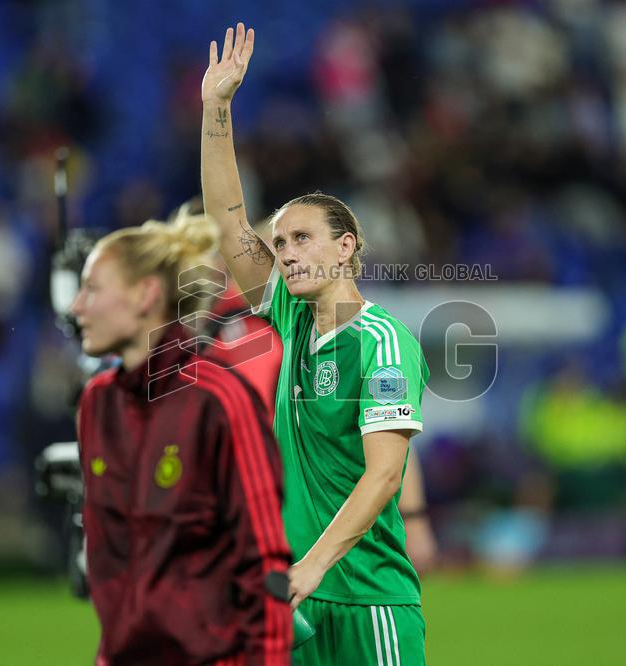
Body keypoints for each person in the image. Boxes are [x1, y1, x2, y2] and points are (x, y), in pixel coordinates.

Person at [201, 23, 429, 665]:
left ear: (346, 245)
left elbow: (384, 475)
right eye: (280, 243)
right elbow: (225, 219)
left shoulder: (384, 344)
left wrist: (312, 566)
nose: (286, 253)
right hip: (297, 602)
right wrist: (216, 112)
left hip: (368, 601)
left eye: (303, 238)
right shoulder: (287, 318)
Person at [70, 214, 292, 665]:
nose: (76, 306)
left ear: (145, 295)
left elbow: (264, 562)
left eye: (92, 288)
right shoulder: (96, 403)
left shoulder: (219, 399)